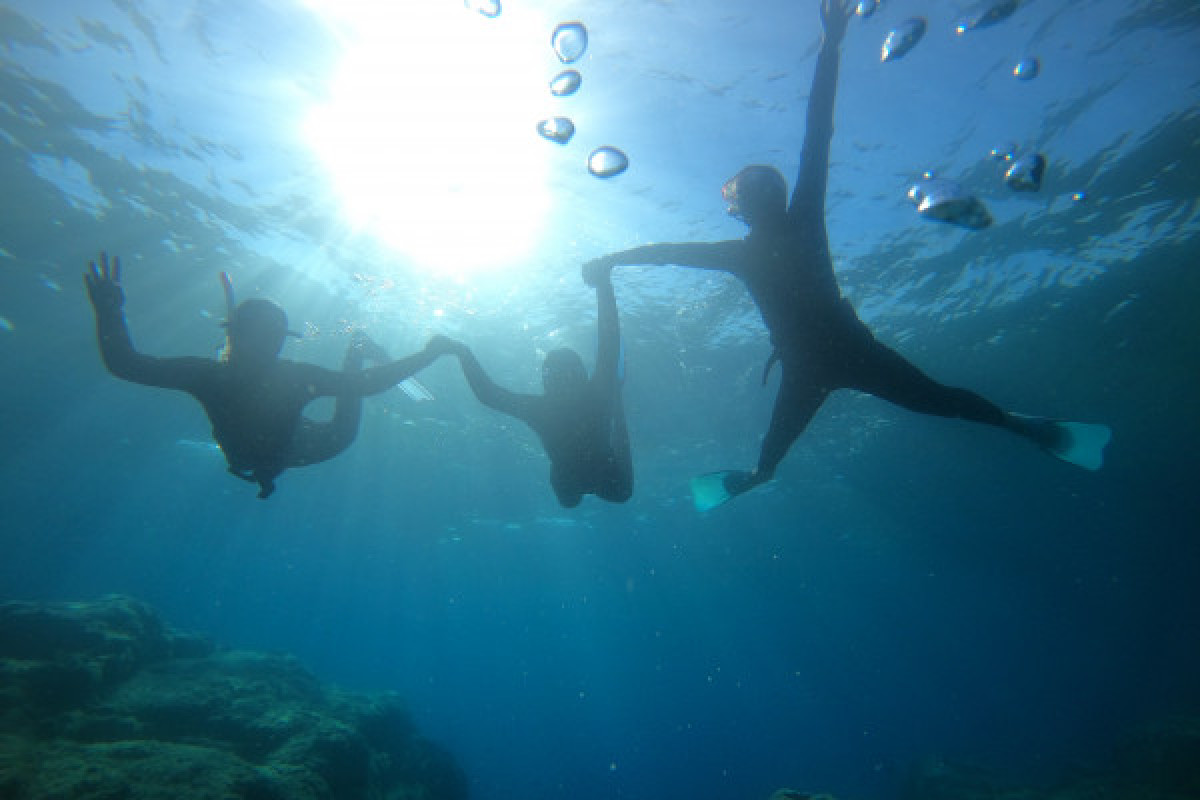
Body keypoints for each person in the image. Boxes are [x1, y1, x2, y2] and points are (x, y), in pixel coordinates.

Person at [583, 0, 1110, 511]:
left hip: (809, 365)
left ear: (740, 207)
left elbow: (672, 250)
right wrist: (831, 46)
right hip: (846, 351)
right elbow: (817, 135)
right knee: (934, 400)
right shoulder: (797, 222)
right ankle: (1020, 426)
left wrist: (613, 260)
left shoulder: (752, 246)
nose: (745, 199)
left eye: (740, 193)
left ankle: (757, 477)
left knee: (781, 454)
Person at [84, 251, 449, 499]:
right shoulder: (231, 376)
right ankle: (355, 353)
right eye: (263, 335)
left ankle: (355, 353)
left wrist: (110, 311)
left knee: (341, 422)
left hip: (290, 448)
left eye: (270, 337)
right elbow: (125, 364)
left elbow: (125, 363)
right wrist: (427, 355)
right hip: (296, 449)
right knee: (343, 424)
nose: (264, 345)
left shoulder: (212, 376)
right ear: (238, 336)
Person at [429, 271, 632, 508]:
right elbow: (610, 341)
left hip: (582, 476)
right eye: (555, 375)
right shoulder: (585, 396)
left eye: (563, 375)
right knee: (597, 496)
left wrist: (462, 352)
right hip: (587, 475)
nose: (562, 382)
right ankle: (618, 402)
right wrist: (603, 282)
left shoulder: (544, 408)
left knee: (610, 495)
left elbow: (488, 394)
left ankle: (618, 403)